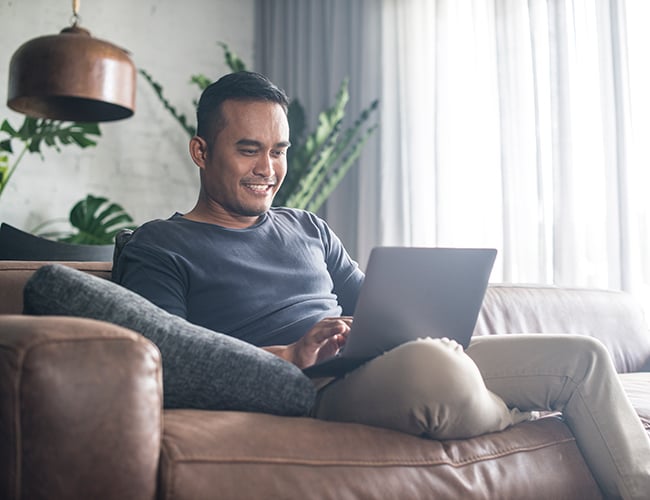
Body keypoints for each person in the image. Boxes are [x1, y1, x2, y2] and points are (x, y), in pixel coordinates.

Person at [113, 71, 650, 499]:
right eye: (249, 149)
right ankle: (513, 406)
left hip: (384, 362)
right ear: (201, 151)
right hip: (308, 386)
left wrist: (403, 321)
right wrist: (289, 353)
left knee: (582, 357)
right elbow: (167, 362)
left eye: (279, 150)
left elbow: (381, 308)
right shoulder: (159, 246)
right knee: (437, 368)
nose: (269, 169)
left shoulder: (308, 227)